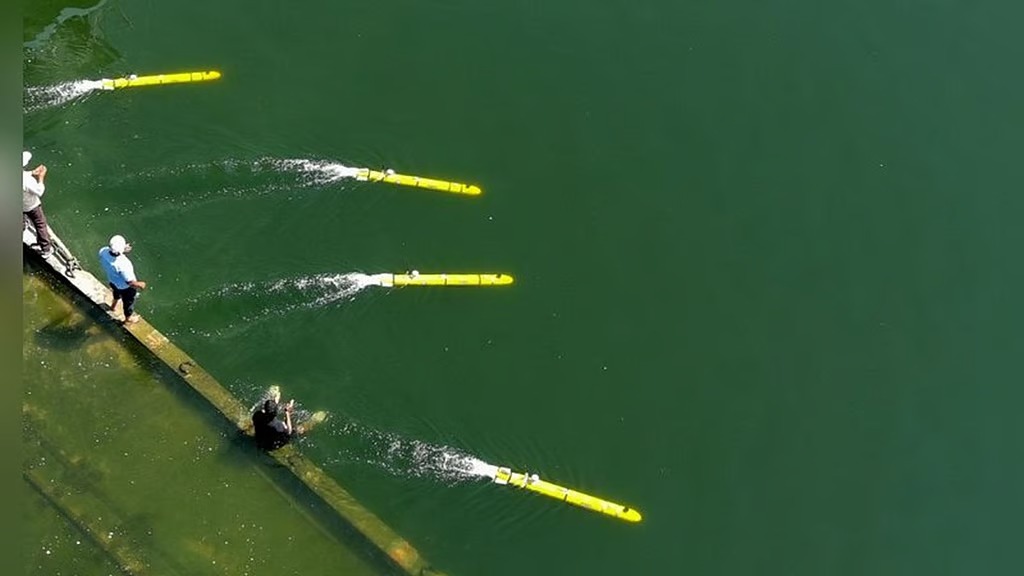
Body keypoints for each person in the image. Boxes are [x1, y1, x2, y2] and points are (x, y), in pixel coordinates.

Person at [251, 385, 326, 451]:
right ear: (276, 412)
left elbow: (268, 412)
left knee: (267, 410)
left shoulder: (257, 415)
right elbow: (288, 431)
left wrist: (275, 402)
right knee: (298, 430)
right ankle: (313, 421)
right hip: (270, 445)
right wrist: (287, 413)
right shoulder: (278, 426)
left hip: (260, 438)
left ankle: (272, 395)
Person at [98, 234, 147, 324]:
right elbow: (130, 282)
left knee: (116, 293)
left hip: (113, 281)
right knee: (128, 303)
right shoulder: (124, 264)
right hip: (125, 288)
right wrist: (141, 284)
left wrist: (122, 250)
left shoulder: (103, 251)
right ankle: (128, 319)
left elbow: (112, 256)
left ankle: (113, 306)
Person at [23, 150, 52, 257]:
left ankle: (23, 227)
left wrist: (32, 172)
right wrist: (41, 177)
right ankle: (46, 249)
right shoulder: (27, 180)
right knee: (40, 224)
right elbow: (39, 192)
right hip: (31, 205)